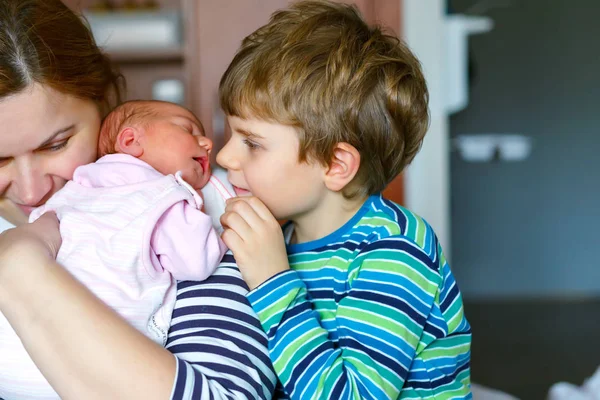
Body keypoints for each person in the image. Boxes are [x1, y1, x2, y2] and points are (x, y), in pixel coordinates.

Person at [0, 1, 276, 399]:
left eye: (57, 144)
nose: (30, 191)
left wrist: (20, 267)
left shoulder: (185, 206)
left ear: (104, 104)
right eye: (1, 158)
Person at [216, 1, 472, 399]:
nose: (224, 156)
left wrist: (271, 280)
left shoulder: (394, 251)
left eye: (252, 142)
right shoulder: (280, 234)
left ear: (335, 165)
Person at [0, 100, 234, 398]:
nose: (208, 143)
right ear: (130, 140)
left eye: (56, 144)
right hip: (96, 367)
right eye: (187, 129)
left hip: (11, 363)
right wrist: (223, 231)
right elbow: (197, 260)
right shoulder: (165, 193)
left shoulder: (78, 188)